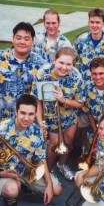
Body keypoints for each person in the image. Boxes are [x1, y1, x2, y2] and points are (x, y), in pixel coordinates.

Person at [0, 94, 62, 206]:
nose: (26, 118)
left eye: (31, 114)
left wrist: (49, 184)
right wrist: (0, 172)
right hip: (2, 170)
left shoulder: (37, 131)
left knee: (57, 189)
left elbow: (41, 159)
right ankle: (11, 197)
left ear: (36, 114)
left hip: (26, 169)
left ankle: (24, 184)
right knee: (12, 190)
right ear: (16, 111)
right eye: (23, 113)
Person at [32, 47, 85, 181]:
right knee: (53, 145)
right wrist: (39, 120)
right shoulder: (43, 73)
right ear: (54, 60)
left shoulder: (76, 77)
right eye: (61, 62)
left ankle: (61, 165)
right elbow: (37, 100)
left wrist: (63, 100)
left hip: (69, 116)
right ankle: (47, 171)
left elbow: (80, 103)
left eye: (69, 64)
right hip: (51, 116)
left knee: (68, 143)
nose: (64, 67)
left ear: (73, 64)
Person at [74, 7, 104, 83]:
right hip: (85, 85)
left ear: (103, 23)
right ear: (88, 22)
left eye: (98, 22)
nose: (94, 25)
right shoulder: (80, 40)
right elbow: (71, 60)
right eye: (92, 22)